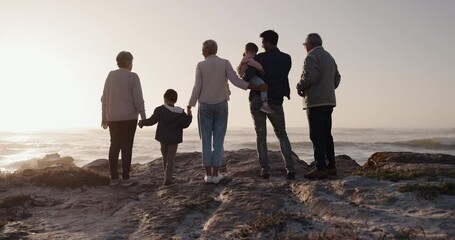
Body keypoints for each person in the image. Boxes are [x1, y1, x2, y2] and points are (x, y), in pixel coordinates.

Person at [188, 39, 267, 184]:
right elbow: (236, 81)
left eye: (202, 49)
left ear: (205, 51)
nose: (201, 52)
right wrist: (256, 87)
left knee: (205, 139)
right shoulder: (224, 62)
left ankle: (208, 175)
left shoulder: (200, 65)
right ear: (215, 50)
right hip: (221, 105)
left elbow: (196, 88)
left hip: (204, 105)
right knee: (218, 140)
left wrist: (190, 105)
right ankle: (216, 173)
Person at [245, 30, 295, 180]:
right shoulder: (287, 58)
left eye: (263, 42)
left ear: (267, 42)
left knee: (261, 136)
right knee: (282, 134)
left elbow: (248, 76)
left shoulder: (260, 58)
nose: (262, 45)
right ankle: (291, 170)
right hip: (276, 100)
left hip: (258, 98)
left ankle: (265, 170)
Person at [296, 33, 341, 180]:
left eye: (304, 45)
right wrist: (329, 88)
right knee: (327, 134)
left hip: (315, 101)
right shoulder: (329, 57)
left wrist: (299, 86)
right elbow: (337, 78)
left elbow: (311, 76)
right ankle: (331, 166)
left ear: (309, 44)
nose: (304, 47)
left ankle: (320, 168)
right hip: (329, 100)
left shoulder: (311, 57)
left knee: (316, 135)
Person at [101, 51, 146, 186]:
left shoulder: (111, 75)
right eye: (131, 62)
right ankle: (126, 178)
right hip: (129, 117)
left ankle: (114, 178)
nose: (132, 65)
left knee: (114, 145)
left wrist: (104, 117)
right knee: (127, 146)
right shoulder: (133, 77)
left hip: (112, 117)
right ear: (128, 62)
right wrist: (143, 117)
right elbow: (138, 99)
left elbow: (104, 98)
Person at [138, 89, 192, 186]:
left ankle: (167, 176)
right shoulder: (180, 112)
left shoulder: (160, 110)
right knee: (170, 158)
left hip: (163, 137)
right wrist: (189, 115)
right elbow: (185, 124)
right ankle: (168, 178)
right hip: (174, 139)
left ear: (165, 99)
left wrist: (142, 122)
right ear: (175, 100)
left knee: (165, 157)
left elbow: (152, 120)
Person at [237, 42, 275, 114]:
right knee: (262, 85)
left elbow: (238, 69)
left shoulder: (244, 59)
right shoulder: (249, 59)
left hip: (245, 78)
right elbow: (256, 65)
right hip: (250, 77)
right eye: (252, 52)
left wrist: (241, 75)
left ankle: (265, 104)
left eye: (255, 52)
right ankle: (265, 104)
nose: (254, 54)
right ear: (247, 51)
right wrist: (262, 70)